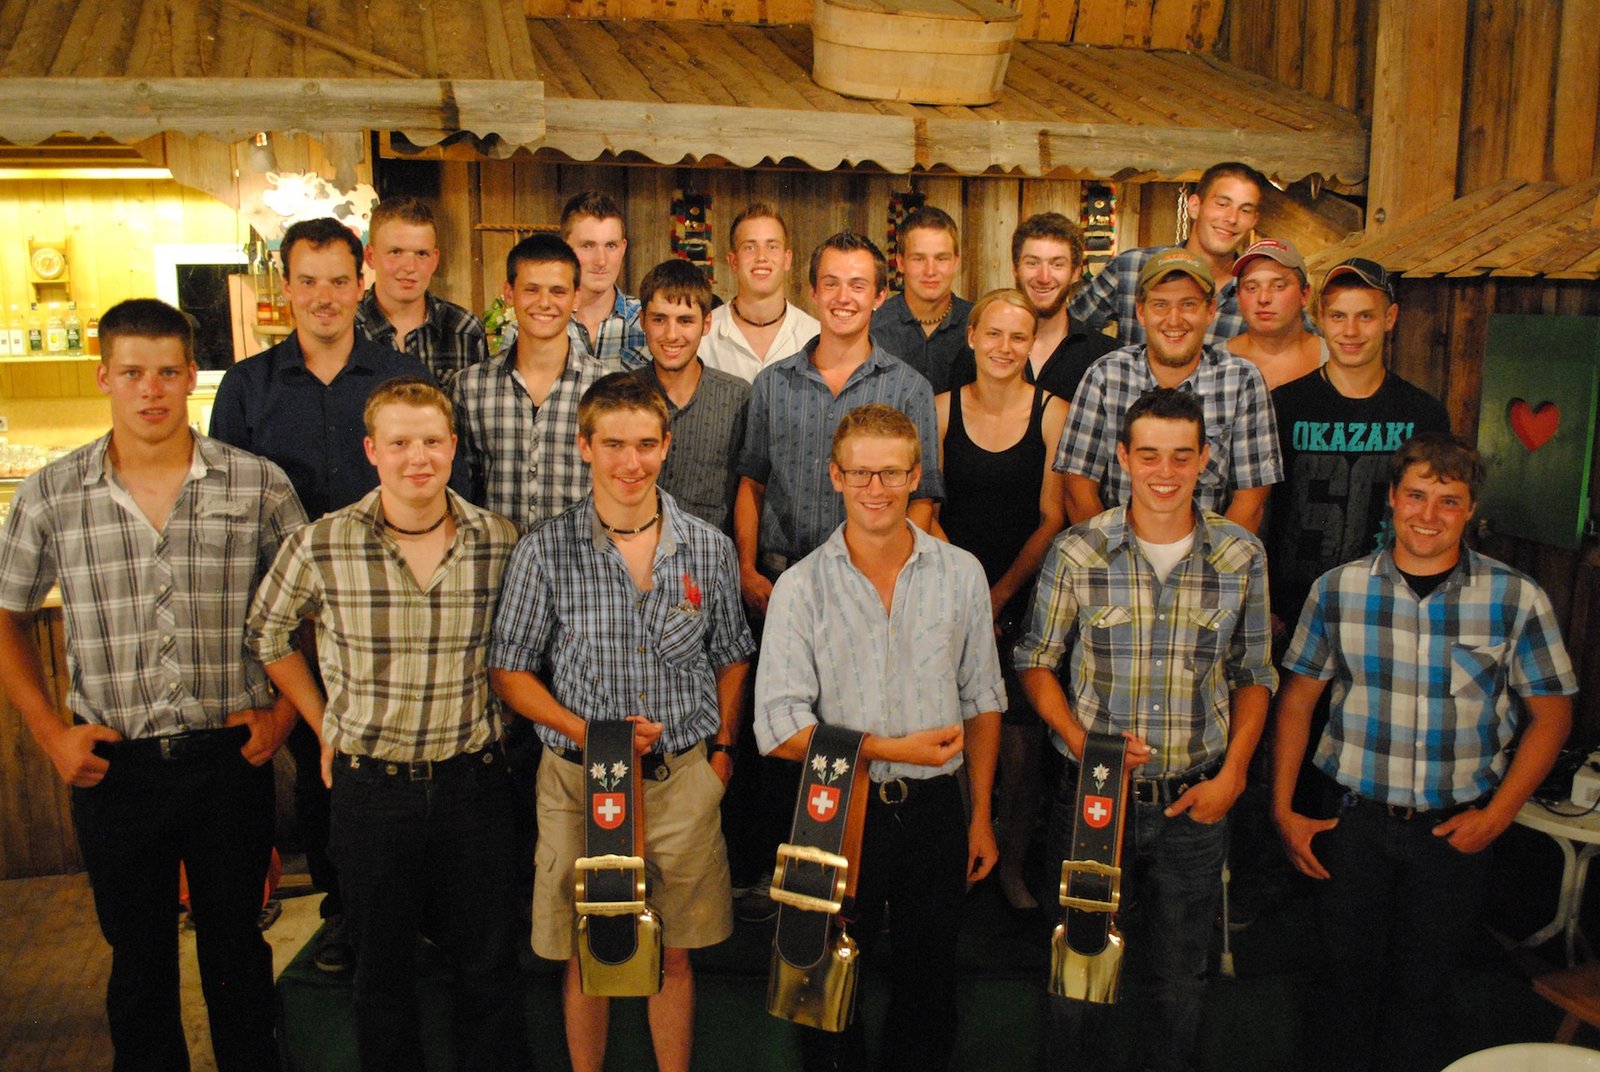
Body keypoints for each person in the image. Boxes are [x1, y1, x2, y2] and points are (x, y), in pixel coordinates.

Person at [0, 298, 303, 1072]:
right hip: (115, 767)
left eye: (168, 372)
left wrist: (285, 718)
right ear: (104, 376)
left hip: (228, 758)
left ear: (191, 376)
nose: (151, 390)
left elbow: (312, 612)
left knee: (237, 951)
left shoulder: (257, 485)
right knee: (137, 963)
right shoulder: (53, 492)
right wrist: (50, 735)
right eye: (133, 372)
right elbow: (7, 614)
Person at [248, 378, 530, 1072]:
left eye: (431, 441)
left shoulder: (499, 540)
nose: (417, 457)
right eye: (399, 442)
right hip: (372, 789)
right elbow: (268, 633)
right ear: (372, 450)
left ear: (453, 447)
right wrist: (322, 723)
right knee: (380, 971)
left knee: (488, 966)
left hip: (474, 784)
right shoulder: (322, 543)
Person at [1272, 432, 1576, 1072]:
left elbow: (1552, 716)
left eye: (1448, 501)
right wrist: (1283, 810)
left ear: (1471, 510)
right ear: (1392, 498)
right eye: (1415, 496)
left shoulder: (1515, 597)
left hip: (1455, 830)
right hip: (1351, 822)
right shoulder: (1338, 589)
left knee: (1425, 992)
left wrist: (1498, 817)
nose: (1428, 515)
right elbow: (1297, 701)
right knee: (1339, 986)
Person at [488, 373, 755, 1072]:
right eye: (613, 444)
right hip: (579, 786)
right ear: (584, 446)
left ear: (666, 446)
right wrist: (587, 733)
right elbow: (509, 670)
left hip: (681, 783)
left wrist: (722, 753)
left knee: (676, 956)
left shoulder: (707, 548)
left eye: (644, 444)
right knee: (588, 953)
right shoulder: (544, 550)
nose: (630, 462)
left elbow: (732, 655)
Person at [211, 215, 449, 973]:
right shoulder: (248, 386)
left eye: (339, 281)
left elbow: (438, 485)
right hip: (293, 616)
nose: (324, 296)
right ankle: (344, 911)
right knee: (324, 767)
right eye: (308, 281)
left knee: (408, 764)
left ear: (361, 281)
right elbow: (225, 507)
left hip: (392, 611)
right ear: (286, 286)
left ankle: (424, 912)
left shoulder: (399, 377)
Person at [1017, 388, 1276, 1072]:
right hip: (1093, 799)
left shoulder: (1241, 554)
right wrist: (1077, 739)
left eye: (1182, 456)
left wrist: (1235, 775)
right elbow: (1035, 660)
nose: (1166, 471)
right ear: (1124, 458)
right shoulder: (1079, 549)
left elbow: (1255, 673)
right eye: (1150, 454)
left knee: (1181, 979)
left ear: (1205, 459)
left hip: (1195, 800)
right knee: (1077, 969)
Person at [755, 403, 1003, 1072]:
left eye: (892, 473)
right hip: (835, 808)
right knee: (825, 977)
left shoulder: (962, 574)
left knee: (930, 978)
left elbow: (983, 702)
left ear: (916, 476)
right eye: (861, 473)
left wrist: (980, 814)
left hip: (936, 809)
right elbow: (777, 727)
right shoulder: (800, 587)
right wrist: (892, 750)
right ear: (835, 475)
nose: (876, 488)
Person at [933, 289, 1069, 912]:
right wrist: (970, 598)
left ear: (1032, 344)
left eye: (1018, 337)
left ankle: (1011, 866)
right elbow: (926, 509)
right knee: (954, 735)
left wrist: (998, 596)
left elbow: (1052, 518)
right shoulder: (940, 410)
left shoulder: (1053, 413)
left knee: (1020, 749)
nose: (1004, 347)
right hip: (950, 595)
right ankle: (961, 857)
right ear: (971, 337)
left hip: (1024, 597)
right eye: (993, 334)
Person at [734, 231, 943, 617]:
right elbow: (752, 484)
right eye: (831, 283)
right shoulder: (772, 383)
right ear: (813, 292)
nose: (843, 297)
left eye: (858, 286)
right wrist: (746, 570)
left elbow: (922, 498)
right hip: (779, 583)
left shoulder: (910, 390)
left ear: (879, 296)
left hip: (872, 585)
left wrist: (893, 576)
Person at [1268, 257, 1451, 631]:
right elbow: (1259, 507)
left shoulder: (1424, 413)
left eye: (1365, 316)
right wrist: (1262, 601)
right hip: (1290, 609)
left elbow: (1434, 515)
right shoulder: (1282, 405)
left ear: (1390, 318)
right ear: (1320, 318)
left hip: (1387, 607)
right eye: (1338, 316)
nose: (1350, 330)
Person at [1056, 247, 1282, 534]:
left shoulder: (1242, 381)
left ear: (1210, 310)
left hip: (1211, 554)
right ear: (1141, 311)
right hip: (1113, 551)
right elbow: (1078, 487)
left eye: (1188, 304)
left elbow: (1251, 502)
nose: (1174, 320)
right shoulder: (1105, 375)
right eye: (1160, 305)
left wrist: (1210, 558)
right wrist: (1115, 556)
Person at [453, 232, 608, 532]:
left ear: (576, 298)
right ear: (509, 293)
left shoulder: (604, 387)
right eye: (531, 289)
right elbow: (462, 491)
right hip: (498, 555)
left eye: (558, 291)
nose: (544, 303)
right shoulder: (471, 387)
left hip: (576, 556)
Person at [1069, 161, 1268, 347]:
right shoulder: (1132, 267)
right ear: (1195, 206)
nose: (1232, 218)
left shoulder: (1261, 296)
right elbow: (1066, 333)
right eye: (1222, 204)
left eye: (1245, 210)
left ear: (1254, 220)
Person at [627, 258, 750, 533]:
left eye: (685, 321)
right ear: (643, 321)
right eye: (659, 319)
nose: (671, 335)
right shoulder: (622, 396)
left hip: (711, 554)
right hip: (632, 550)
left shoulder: (737, 399)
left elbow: (750, 492)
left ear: (706, 324)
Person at [951, 212, 1119, 399]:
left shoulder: (1105, 357)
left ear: (1075, 273)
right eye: (1033, 263)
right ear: (1015, 269)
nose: (1044, 277)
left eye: (1057, 264)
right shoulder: (978, 354)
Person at [355, 195, 488, 391]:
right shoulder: (347, 327)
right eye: (396, 252)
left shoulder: (465, 329)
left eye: (421, 254)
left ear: (435, 260)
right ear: (370, 256)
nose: (410, 267)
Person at [697, 203, 820, 383]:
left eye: (772, 247)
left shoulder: (815, 337)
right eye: (750, 247)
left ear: (787, 259)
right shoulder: (703, 337)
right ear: (733, 261)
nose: (761, 257)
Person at [870, 206, 973, 392]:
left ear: (956, 262)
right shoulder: (872, 328)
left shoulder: (979, 325)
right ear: (900, 262)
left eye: (941, 259)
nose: (930, 271)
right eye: (918, 259)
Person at [1225, 237, 1324, 390]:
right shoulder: (1212, 363)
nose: (1264, 298)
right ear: (1238, 296)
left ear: (1304, 294)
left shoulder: (1336, 357)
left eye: (1279, 286)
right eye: (1252, 288)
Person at [561, 191, 643, 372]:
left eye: (611, 246)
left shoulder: (647, 322)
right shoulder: (542, 323)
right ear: (565, 248)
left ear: (623, 248)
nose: (601, 261)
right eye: (588, 246)